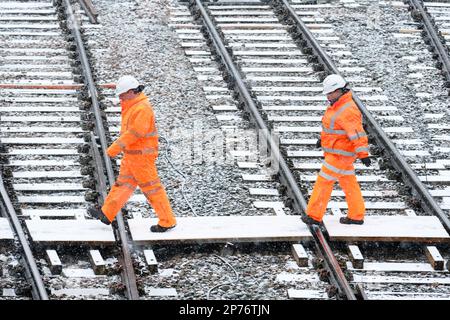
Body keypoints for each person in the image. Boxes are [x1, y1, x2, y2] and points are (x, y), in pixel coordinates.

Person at [89, 75, 177, 232]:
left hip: (141, 157)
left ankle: (167, 221)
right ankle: (106, 213)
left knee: (152, 189)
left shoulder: (142, 108)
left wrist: (114, 148)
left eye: (122, 95)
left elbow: (135, 133)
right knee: (122, 185)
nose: (120, 98)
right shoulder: (133, 105)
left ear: (132, 92)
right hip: (132, 156)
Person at [302, 74, 371, 226]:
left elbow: (357, 134)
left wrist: (363, 154)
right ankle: (356, 216)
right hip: (338, 153)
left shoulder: (347, 110)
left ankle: (314, 216)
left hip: (340, 155)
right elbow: (336, 129)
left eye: (330, 93)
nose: (328, 96)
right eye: (327, 93)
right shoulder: (338, 105)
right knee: (349, 183)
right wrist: (323, 140)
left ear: (340, 90)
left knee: (323, 182)